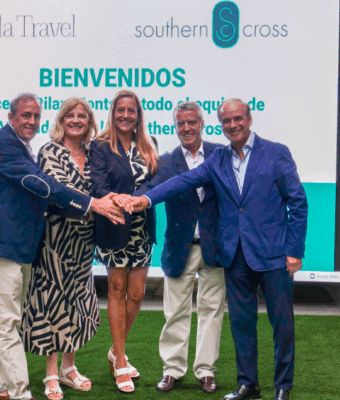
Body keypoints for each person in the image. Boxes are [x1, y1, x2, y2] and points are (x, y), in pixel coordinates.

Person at [129, 99, 308, 400]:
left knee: (282, 324)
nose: (233, 125)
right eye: (226, 121)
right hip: (235, 257)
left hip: (273, 255)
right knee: (241, 325)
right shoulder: (219, 159)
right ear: (220, 124)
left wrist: (294, 250)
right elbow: (182, 181)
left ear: (249, 119)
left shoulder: (276, 152)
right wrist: (145, 200)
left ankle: (283, 387)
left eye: (238, 118)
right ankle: (248, 385)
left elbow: (298, 203)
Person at [0, 93, 124, 400]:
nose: (31, 121)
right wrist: (93, 203)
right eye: (25, 115)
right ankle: (21, 393)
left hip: (20, 246)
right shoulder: (6, 146)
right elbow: (45, 186)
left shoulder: (20, 145)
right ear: (11, 117)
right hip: (5, 245)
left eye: (35, 116)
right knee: (7, 323)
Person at [134, 101, 226, 393]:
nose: (187, 128)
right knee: (175, 312)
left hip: (215, 247)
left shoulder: (220, 154)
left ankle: (206, 371)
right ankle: (172, 370)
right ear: (175, 127)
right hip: (179, 247)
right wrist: (133, 199)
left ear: (202, 124)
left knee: (212, 311)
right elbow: (152, 188)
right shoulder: (166, 161)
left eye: (191, 122)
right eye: (181, 123)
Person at [20, 97, 101, 400]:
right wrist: (97, 204)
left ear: (89, 121)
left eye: (82, 116)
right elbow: (61, 191)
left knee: (78, 299)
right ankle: (51, 372)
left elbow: (101, 187)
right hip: (55, 239)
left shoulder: (95, 153)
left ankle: (69, 368)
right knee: (52, 300)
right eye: (70, 115)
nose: (76, 120)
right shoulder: (49, 151)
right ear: (61, 120)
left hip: (84, 241)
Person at [90, 90, 158, 394]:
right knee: (117, 289)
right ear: (113, 112)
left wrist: (139, 198)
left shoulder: (149, 143)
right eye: (121, 110)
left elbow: (155, 181)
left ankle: (115, 349)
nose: (126, 115)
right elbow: (98, 183)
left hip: (142, 229)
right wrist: (118, 198)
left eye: (131, 110)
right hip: (114, 225)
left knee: (138, 293)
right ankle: (120, 360)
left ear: (138, 114)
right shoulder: (100, 145)